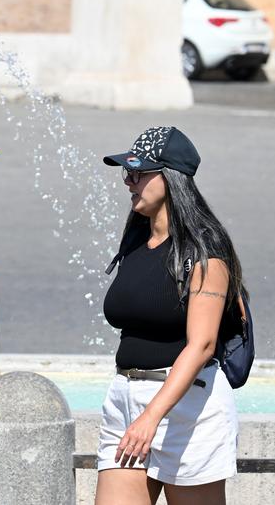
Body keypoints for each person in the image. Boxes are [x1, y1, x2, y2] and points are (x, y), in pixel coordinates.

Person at [95, 127, 244, 505]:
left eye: (138, 173)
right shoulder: (135, 241)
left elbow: (203, 344)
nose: (128, 181)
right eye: (126, 173)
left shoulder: (206, 249)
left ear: (171, 177)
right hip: (126, 397)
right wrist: (137, 413)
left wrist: (151, 416)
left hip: (188, 408)